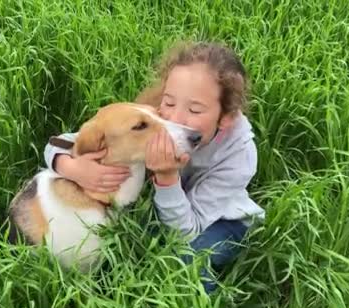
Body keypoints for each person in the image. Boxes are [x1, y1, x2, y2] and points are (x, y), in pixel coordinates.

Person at [43, 40, 265, 294]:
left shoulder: (239, 156)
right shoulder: (155, 116)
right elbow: (63, 143)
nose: (176, 120)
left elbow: (186, 231)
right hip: (166, 209)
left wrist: (167, 177)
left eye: (194, 109)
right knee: (132, 244)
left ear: (226, 117)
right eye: (169, 103)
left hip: (220, 222)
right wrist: (72, 167)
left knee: (186, 260)